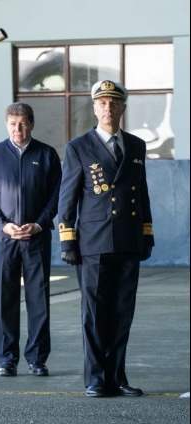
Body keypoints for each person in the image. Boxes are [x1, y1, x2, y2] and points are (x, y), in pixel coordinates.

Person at [58, 80, 154, 398]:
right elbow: (67, 198)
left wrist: (146, 234)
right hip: (94, 244)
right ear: (94, 108)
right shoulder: (78, 147)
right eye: (102, 103)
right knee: (95, 315)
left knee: (123, 312)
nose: (108, 108)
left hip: (127, 241)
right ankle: (96, 379)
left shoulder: (137, 146)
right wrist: (67, 240)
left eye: (114, 103)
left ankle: (117, 377)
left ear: (123, 108)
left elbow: (141, 195)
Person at [0, 103, 61, 378]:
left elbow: (56, 196)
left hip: (36, 238)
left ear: (32, 124)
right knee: (5, 298)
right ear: (6, 125)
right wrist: (4, 226)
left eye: (23, 123)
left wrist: (38, 225)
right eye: (13, 123)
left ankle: (37, 359)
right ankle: (7, 359)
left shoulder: (47, 155)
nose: (18, 128)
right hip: (5, 239)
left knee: (39, 299)